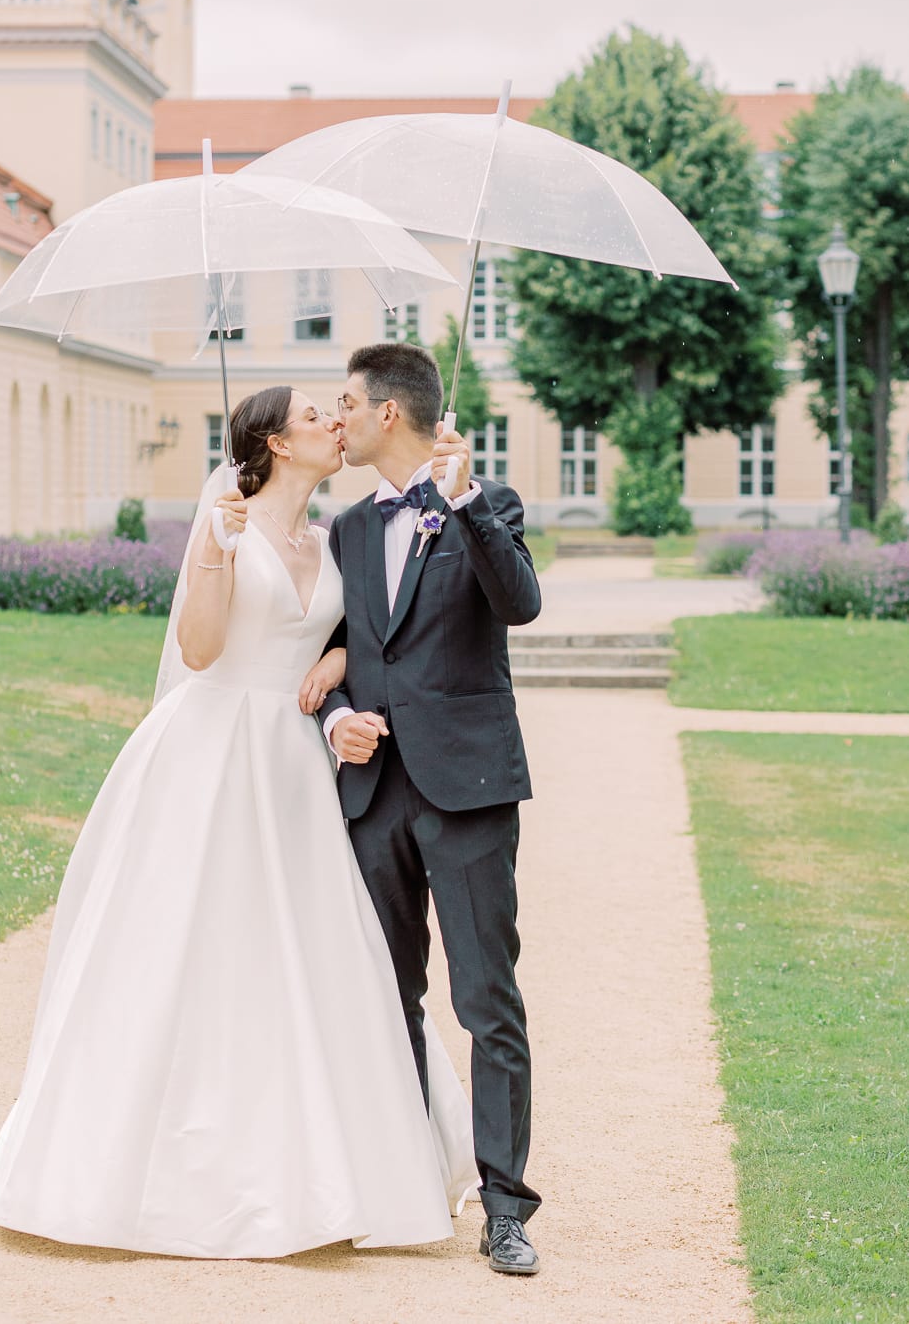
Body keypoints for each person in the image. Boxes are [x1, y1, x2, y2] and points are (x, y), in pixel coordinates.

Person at [0, 385, 475, 1258]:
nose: (331, 423)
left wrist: (342, 650)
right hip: (210, 748)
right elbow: (198, 652)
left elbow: (355, 630)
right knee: (192, 942)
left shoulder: (331, 536)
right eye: (314, 416)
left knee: (307, 950)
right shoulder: (223, 521)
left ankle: (326, 1161)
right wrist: (214, 552)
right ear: (273, 440)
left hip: (294, 766)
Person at [322, 342, 544, 1276]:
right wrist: (336, 718)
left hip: (468, 789)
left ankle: (504, 1207)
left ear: (388, 415)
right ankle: (406, 1180)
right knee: (386, 999)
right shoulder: (342, 530)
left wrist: (463, 501)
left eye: (345, 402)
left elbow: (521, 603)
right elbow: (330, 649)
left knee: (485, 999)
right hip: (374, 796)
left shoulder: (485, 504)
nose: (334, 418)